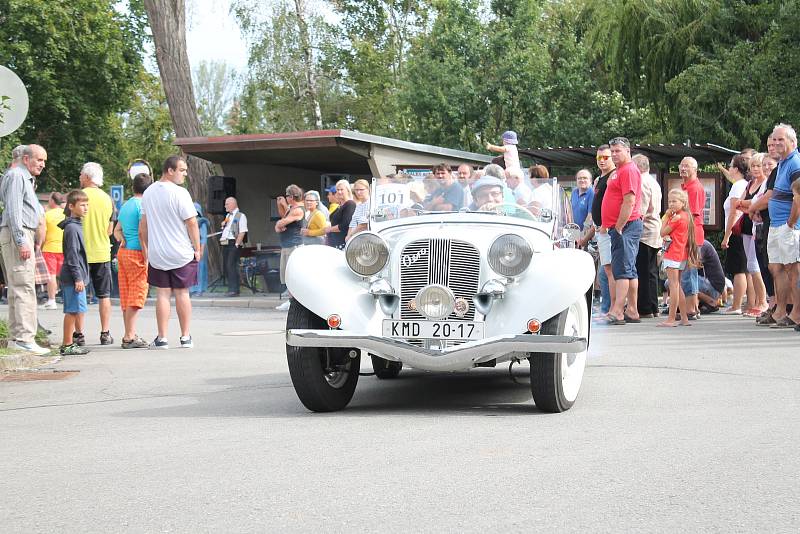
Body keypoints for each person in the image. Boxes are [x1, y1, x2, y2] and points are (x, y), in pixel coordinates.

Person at [140, 156, 200, 349]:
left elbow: (144, 226)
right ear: (170, 170)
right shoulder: (180, 193)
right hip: (180, 251)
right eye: (181, 170)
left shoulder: (148, 192)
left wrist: (147, 249)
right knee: (182, 293)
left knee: (162, 294)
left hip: (158, 253)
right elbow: (191, 222)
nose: (185, 174)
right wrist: (197, 248)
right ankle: (185, 337)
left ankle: (162, 337)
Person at [0, 144, 49, 354]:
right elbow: (13, 210)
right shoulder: (17, 176)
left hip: (20, 233)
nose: (42, 165)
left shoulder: (22, 177)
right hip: (17, 233)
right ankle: (24, 338)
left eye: (44, 161)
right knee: (24, 286)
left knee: (19, 285)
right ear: (26, 159)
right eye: (39, 160)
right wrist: (21, 241)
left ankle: (18, 337)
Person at [601, 137, 643, 325]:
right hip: (621, 227)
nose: (614, 154)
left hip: (626, 226)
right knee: (629, 270)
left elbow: (629, 200)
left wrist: (618, 226)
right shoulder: (620, 170)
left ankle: (618, 310)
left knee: (622, 270)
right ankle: (632, 310)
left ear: (628, 151)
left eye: (618, 151)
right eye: (613, 151)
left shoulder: (628, 170)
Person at [765, 123, 800, 328]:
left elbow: (798, 197)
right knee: (777, 267)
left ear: (792, 142)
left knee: (792, 269)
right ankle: (780, 310)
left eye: (781, 140)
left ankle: (796, 312)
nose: (776, 143)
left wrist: (790, 224)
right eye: (774, 139)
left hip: (789, 227)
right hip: (776, 225)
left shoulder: (795, 163)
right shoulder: (783, 163)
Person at [113, 172, 152, 349]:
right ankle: (129, 336)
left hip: (123, 252)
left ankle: (130, 332)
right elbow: (143, 232)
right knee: (137, 294)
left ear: (133, 187)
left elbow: (116, 230)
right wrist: (147, 257)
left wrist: (122, 239)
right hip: (137, 253)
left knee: (126, 294)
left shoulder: (127, 205)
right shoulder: (142, 206)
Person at [78, 162, 114, 346]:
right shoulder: (108, 198)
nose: (79, 178)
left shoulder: (78, 197)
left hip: (80, 253)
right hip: (101, 252)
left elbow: (69, 224)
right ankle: (105, 333)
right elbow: (110, 229)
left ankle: (79, 334)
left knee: (80, 294)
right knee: (104, 295)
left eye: (81, 175)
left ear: (87, 177)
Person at [578, 145, 616, 317]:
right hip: (600, 230)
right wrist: (585, 238)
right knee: (604, 272)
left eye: (606, 157)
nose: (602, 161)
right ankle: (607, 308)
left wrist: (607, 224)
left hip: (609, 230)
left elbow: (617, 203)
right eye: (599, 158)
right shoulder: (600, 178)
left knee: (609, 271)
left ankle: (612, 309)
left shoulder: (613, 177)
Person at [735, 152, 769, 317]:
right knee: (751, 265)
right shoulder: (750, 184)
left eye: (759, 165)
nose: (756, 169)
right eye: (753, 166)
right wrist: (749, 205)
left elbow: (756, 202)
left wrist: (749, 204)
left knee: (756, 265)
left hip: (758, 226)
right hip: (747, 225)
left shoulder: (765, 183)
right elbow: (738, 204)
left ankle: (762, 301)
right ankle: (757, 301)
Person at [58, 190, 91, 356]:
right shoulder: (71, 227)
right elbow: (72, 255)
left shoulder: (76, 225)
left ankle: (69, 343)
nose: (86, 208)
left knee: (76, 310)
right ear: (71, 206)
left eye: (87, 204)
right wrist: (78, 278)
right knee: (71, 310)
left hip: (77, 277)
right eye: (82, 205)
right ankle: (67, 344)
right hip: (72, 277)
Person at [659, 189, 699, 327]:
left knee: (673, 285)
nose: (671, 204)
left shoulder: (676, 218)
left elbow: (662, 232)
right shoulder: (686, 216)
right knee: (678, 285)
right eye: (670, 201)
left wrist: (665, 217)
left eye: (675, 201)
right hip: (681, 254)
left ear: (683, 202)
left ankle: (671, 318)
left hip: (673, 254)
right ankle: (684, 317)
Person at [632, 154, 662, 319]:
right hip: (654, 230)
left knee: (643, 271)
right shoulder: (653, 181)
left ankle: (644, 308)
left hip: (644, 231)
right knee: (651, 272)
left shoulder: (642, 182)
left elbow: (641, 209)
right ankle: (653, 306)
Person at [720, 155, 750, 315]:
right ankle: (742, 303)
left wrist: (726, 235)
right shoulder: (744, 184)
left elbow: (733, 211)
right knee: (744, 268)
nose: (729, 169)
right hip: (741, 229)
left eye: (731, 166)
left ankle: (736, 304)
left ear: (737, 169)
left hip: (735, 230)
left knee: (738, 269)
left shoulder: (738, 186)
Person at [678, 157, 706, 320]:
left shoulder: (694, 188)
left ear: (695, 169)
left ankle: (690, 308)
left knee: (688, 272)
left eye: (687, 166)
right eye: (681, 165)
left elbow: (692, 214)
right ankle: (693, 307)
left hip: (691, 233)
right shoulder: (687, 186)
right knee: (691, 272)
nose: (683, 168)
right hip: (691, 233)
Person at [275, 184, 304, 311]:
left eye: (287, 196)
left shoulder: (298, 209)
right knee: (286, 275)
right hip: (286, 245)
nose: (285, 198)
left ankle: (294, 301)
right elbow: (283, 216)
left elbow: (283, 221)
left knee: (292, 275)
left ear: (291, 196)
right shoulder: (291, 208)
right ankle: (290, 299)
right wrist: (280, 205)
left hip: (294, 245)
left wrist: (279, 224)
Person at [41, 192, 66, 310]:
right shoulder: (66, 214)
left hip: (49, 248)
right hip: (64, 249)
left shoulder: (46, 215)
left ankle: (52, 300)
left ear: (52, 201)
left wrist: (39, 245)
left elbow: (42, 233)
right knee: (64, 275)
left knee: (51, 275)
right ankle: (68, 299)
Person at [220, 196, 248, 297]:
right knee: (227, 266)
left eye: (227, 204)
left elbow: (242, 231)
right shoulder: (228, 215)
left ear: (233, 204)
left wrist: (237, 244)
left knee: (231, 265)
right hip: (226, 243)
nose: (225, 206)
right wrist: (223, 225)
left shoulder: (241, 216)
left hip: (233, 243)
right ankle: (231, 288)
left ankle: (234, 290)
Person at [325, 179, 356, 249]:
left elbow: (345, 225)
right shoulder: (340, 205)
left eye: (342, 189)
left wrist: (329, 229)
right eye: (338, 190)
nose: (339, 192)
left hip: (342, 244)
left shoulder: (350, 204)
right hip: (334, 243)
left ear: (347, 190)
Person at [697, 240, 726, 313]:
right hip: (715, 286)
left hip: (713, 286)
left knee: (675, 282)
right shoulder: (702, 244)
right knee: (672, 282)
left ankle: (711, 302)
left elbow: (694, 264)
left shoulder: (702, 245)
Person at [189, 202, 210, 296]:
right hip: (191, 248)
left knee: (200, 269)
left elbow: (204, 237)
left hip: (200, 247)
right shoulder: (190, 222)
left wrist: (201, 250)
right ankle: (192, 289)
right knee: (192, 269)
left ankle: (200, 289)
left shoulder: (201, 222)